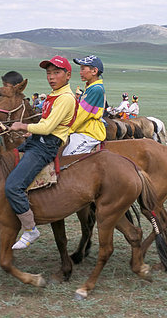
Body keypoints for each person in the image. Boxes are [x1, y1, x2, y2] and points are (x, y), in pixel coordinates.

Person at [6, 55, 78, 250]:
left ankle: (30, 229)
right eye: (48, 73)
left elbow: (46, 128)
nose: (51, 77)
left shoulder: (65, 98)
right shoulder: (54, 95)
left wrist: (23, 125)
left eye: (56, 73)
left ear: (68, 75)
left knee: (13, 185)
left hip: (45, 146)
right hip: (36, 141)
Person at [63, 55, 106, 155]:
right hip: (82, 129)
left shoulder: (96, 89)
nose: (80, 72)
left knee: (67, 156)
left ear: (94, 71)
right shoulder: (90, 88)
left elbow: (81, 115)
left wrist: (65, 130)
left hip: (89, 133)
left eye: (83, 69)